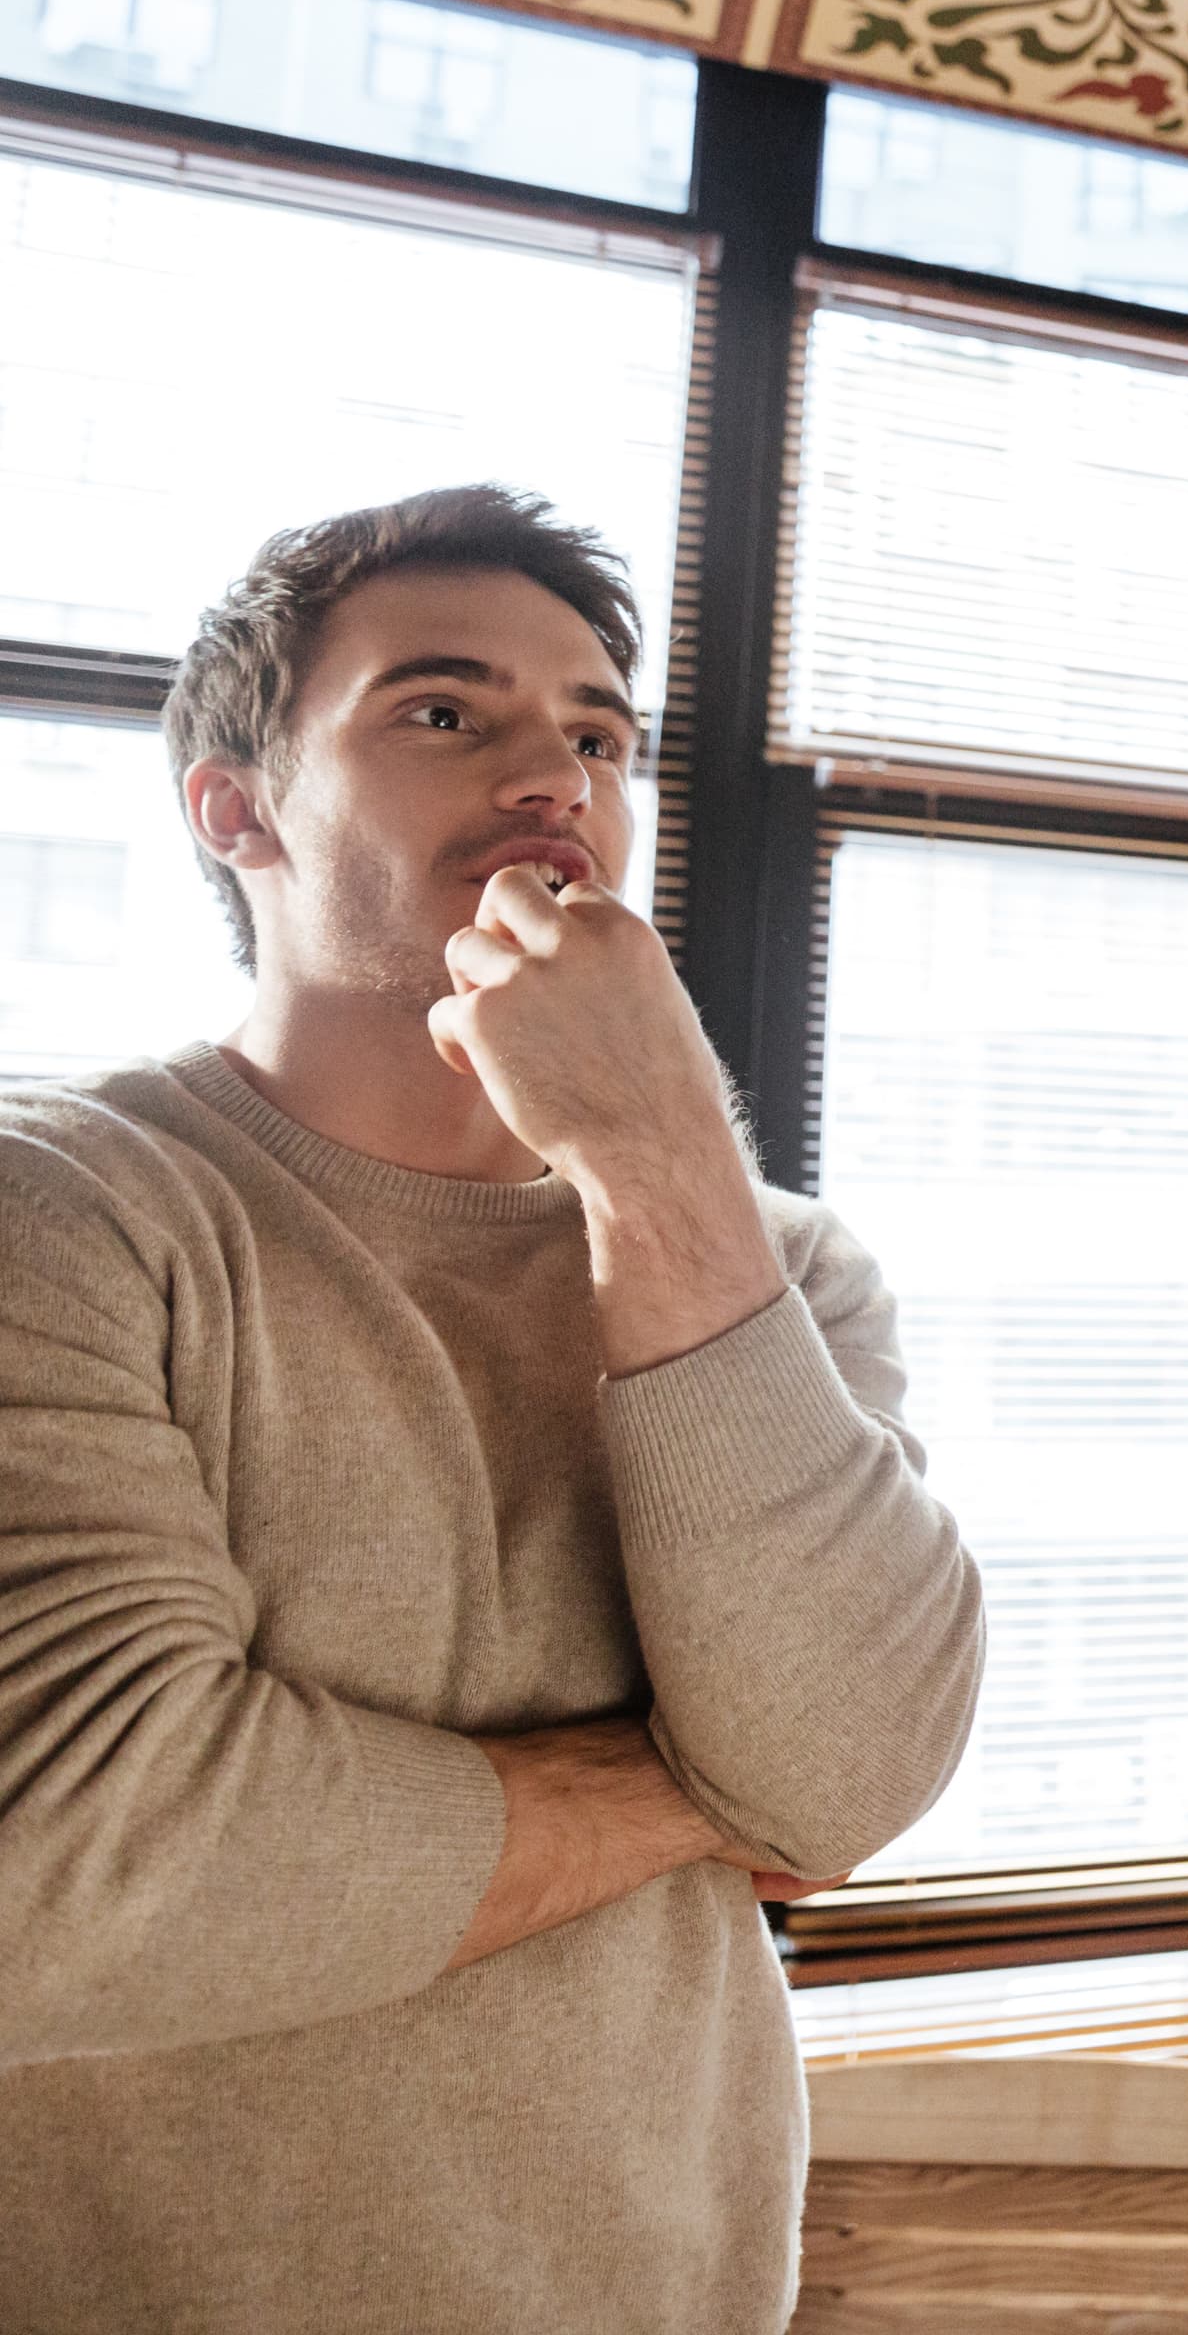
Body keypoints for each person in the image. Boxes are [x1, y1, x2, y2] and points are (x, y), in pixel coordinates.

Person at [0, 485, 986, 2329]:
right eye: (442, 712)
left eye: (599, 733)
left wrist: (658, 1157)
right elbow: (71, 1859)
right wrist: (694, 1790)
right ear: (234, 811)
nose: (558, 774)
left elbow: (851, 1778)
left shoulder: (784, 1264)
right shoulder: (64, 1212)